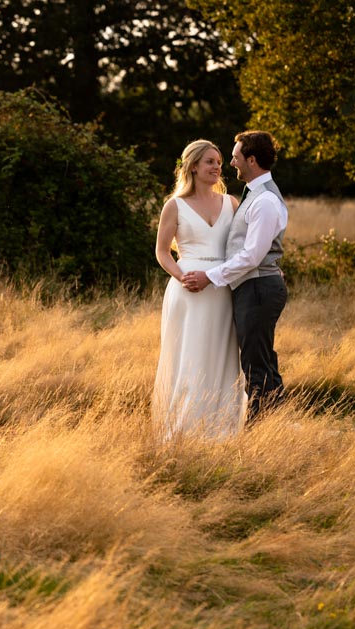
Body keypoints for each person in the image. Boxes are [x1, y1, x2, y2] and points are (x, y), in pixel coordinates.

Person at [182, 131, 289, 421]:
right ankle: (270, 426)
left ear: (251, 160)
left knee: (257, 366)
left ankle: (263, 430)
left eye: (235, 156)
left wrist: (210, 276)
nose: (231, 163)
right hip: (254, 286)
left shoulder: (264, 200)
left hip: (258, 288)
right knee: (260, 361)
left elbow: (252, 255)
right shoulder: (255, 196)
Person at [152, 140, 245, 440]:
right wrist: (182, 277)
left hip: (222, 289)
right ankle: (182, 431)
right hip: (187, 292)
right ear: (193, 166)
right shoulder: (174, 205)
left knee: (222, 356)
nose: (218, 167)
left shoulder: (232, 203)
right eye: (210, 161)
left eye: (219, 161)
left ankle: (221, 431)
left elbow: (243, 248)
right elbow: (162, 252)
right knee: (187, 358)